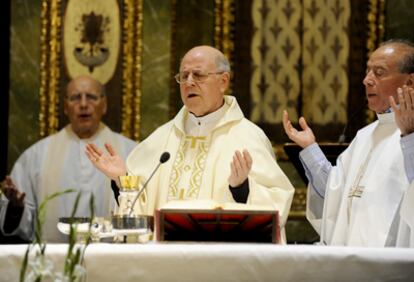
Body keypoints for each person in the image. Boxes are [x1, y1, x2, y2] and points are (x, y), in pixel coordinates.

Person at [86, 45, 295, 242]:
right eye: (183, 76)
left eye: (199, 75)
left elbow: (276, 205)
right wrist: (122, 180)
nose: (189, 82)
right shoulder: (161, 139)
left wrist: (242, 189)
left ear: (223, 81)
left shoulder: (247, 137)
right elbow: (139, 217)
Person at [283, 39, 414, 247]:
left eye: (379, 73)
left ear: (410, 82)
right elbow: (335, 197)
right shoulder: (364, 136)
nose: (367, 80)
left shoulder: (410, 135)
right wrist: (310, 149)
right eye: (368, 71)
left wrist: (410, 137)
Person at [0, 75, 136, 243]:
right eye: (75, 98)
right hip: (54, 262)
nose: (84, 104)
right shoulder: (36, 156)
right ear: (65, 107)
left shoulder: (131, 153)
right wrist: (16, 208)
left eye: (91, 97)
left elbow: (143, 209)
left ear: (104, 105)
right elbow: (21, 223)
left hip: (111, 261)